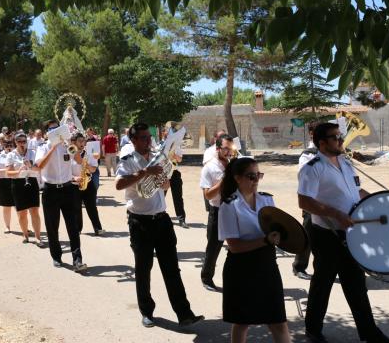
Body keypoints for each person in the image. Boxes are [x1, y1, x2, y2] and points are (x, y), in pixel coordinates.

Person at [298, 122, 389, 343]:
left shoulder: (345, 163)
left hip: (350, 232)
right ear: (322, 142)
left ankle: (369, 333)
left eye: (340, 136)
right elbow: (304, 201)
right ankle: (313, 331)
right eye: (336, 137)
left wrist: (379, 202)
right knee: (322, 284)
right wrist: (335, 214)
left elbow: (356, 191)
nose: (341, 140)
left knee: (356, 284)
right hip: (327, 235)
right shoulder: (312, 167)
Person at [115, 122, 204, 328]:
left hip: (162, 220)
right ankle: (147, 312)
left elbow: (165, 185)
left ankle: (184, 313)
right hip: (140, 222)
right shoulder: (128, 160)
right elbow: (119, 184)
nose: (148, 141)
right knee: (143, 269)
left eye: (149, 137)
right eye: (144, 138)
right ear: (134, 140)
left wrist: (163, 179)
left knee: (172, 268)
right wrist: (145, 172)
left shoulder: (157, 157)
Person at [219, 157, 290, 343]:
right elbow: (234, 246)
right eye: (251, 176)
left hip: (266, 265)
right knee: (242, 322)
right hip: (242, 268)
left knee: (278, 321)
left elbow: (277, 231)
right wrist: (265, 241)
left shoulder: (267, 200)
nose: (256, 180)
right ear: (237, 178)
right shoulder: (228, 206)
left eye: (258, 175)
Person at [35, 119, 87, 272]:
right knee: (52, 226)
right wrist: (53, 147)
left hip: (67, 189)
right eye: (51, 130)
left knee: (73, 226)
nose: (55, 131)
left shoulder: (67, 147)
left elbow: (78, 161)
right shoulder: (43, 147)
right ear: (46, 134)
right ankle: (56, 256)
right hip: (50, 190)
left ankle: (77, 260)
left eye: (57, 128)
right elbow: (39, 166)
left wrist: (70, 145)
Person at [199, 134, 234, 292]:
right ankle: (207, 277)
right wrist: (223, 181)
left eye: (230, 148)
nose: (228, 152)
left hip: (235, 208)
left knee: (237, 245)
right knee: (213, 248)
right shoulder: (209, 167)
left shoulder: (234, 164)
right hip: (218, 210)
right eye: (225, 148)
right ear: (218, 148)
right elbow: (207, 195)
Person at [292, 121, 320, 280]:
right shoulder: (308, 154)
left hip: (325, 201)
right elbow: (303, 175)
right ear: (311, 134)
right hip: (310, 200)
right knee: (308, 234)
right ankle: (299, 266)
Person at [7, 132, 44, 247]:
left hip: (32, 182)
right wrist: (18, 171)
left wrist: (31, 166)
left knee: (34, 211)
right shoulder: (11, 155)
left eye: (24, 141)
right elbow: (8, 173)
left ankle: (38, 237)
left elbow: (39, 169)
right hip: (18, 183)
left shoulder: (33, 153)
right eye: (19, 141)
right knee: (22, 213)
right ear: (15, 142)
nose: (22, 143)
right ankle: (25, 235)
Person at [70, 132, 105, 236]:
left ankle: (97, 228)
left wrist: (84, 163)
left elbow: (93, 169)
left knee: (92, 207)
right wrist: (74, 178)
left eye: (83, 141)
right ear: (73, 142)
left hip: (88, 183)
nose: (82, 143)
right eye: (80, 141)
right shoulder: (68, 154)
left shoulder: (89, 153)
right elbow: (65, 171)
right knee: (76, 208)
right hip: (74, 184)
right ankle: (78, 229)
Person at [161, 124, 188, 229]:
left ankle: (182, 219)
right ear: (163, 133)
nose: (168, 133)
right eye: (167, 131)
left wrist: (172, 154)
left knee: (178, 197)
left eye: (170, 132)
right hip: (163, 173)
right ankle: (158, 215)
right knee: (161, 196)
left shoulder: (177, 144)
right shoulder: (160, 144)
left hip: (175, 172)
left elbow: (180, 159)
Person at [0, 142, 15, 233]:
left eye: (10, 145)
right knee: (6, 206)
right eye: (6, 146)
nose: (8, 147)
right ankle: (7, 226)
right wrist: (7, 170)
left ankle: (24, 227)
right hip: (3, 182)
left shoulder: (17, 155)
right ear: (3, 146)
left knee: (20, 206)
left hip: (16, 181)